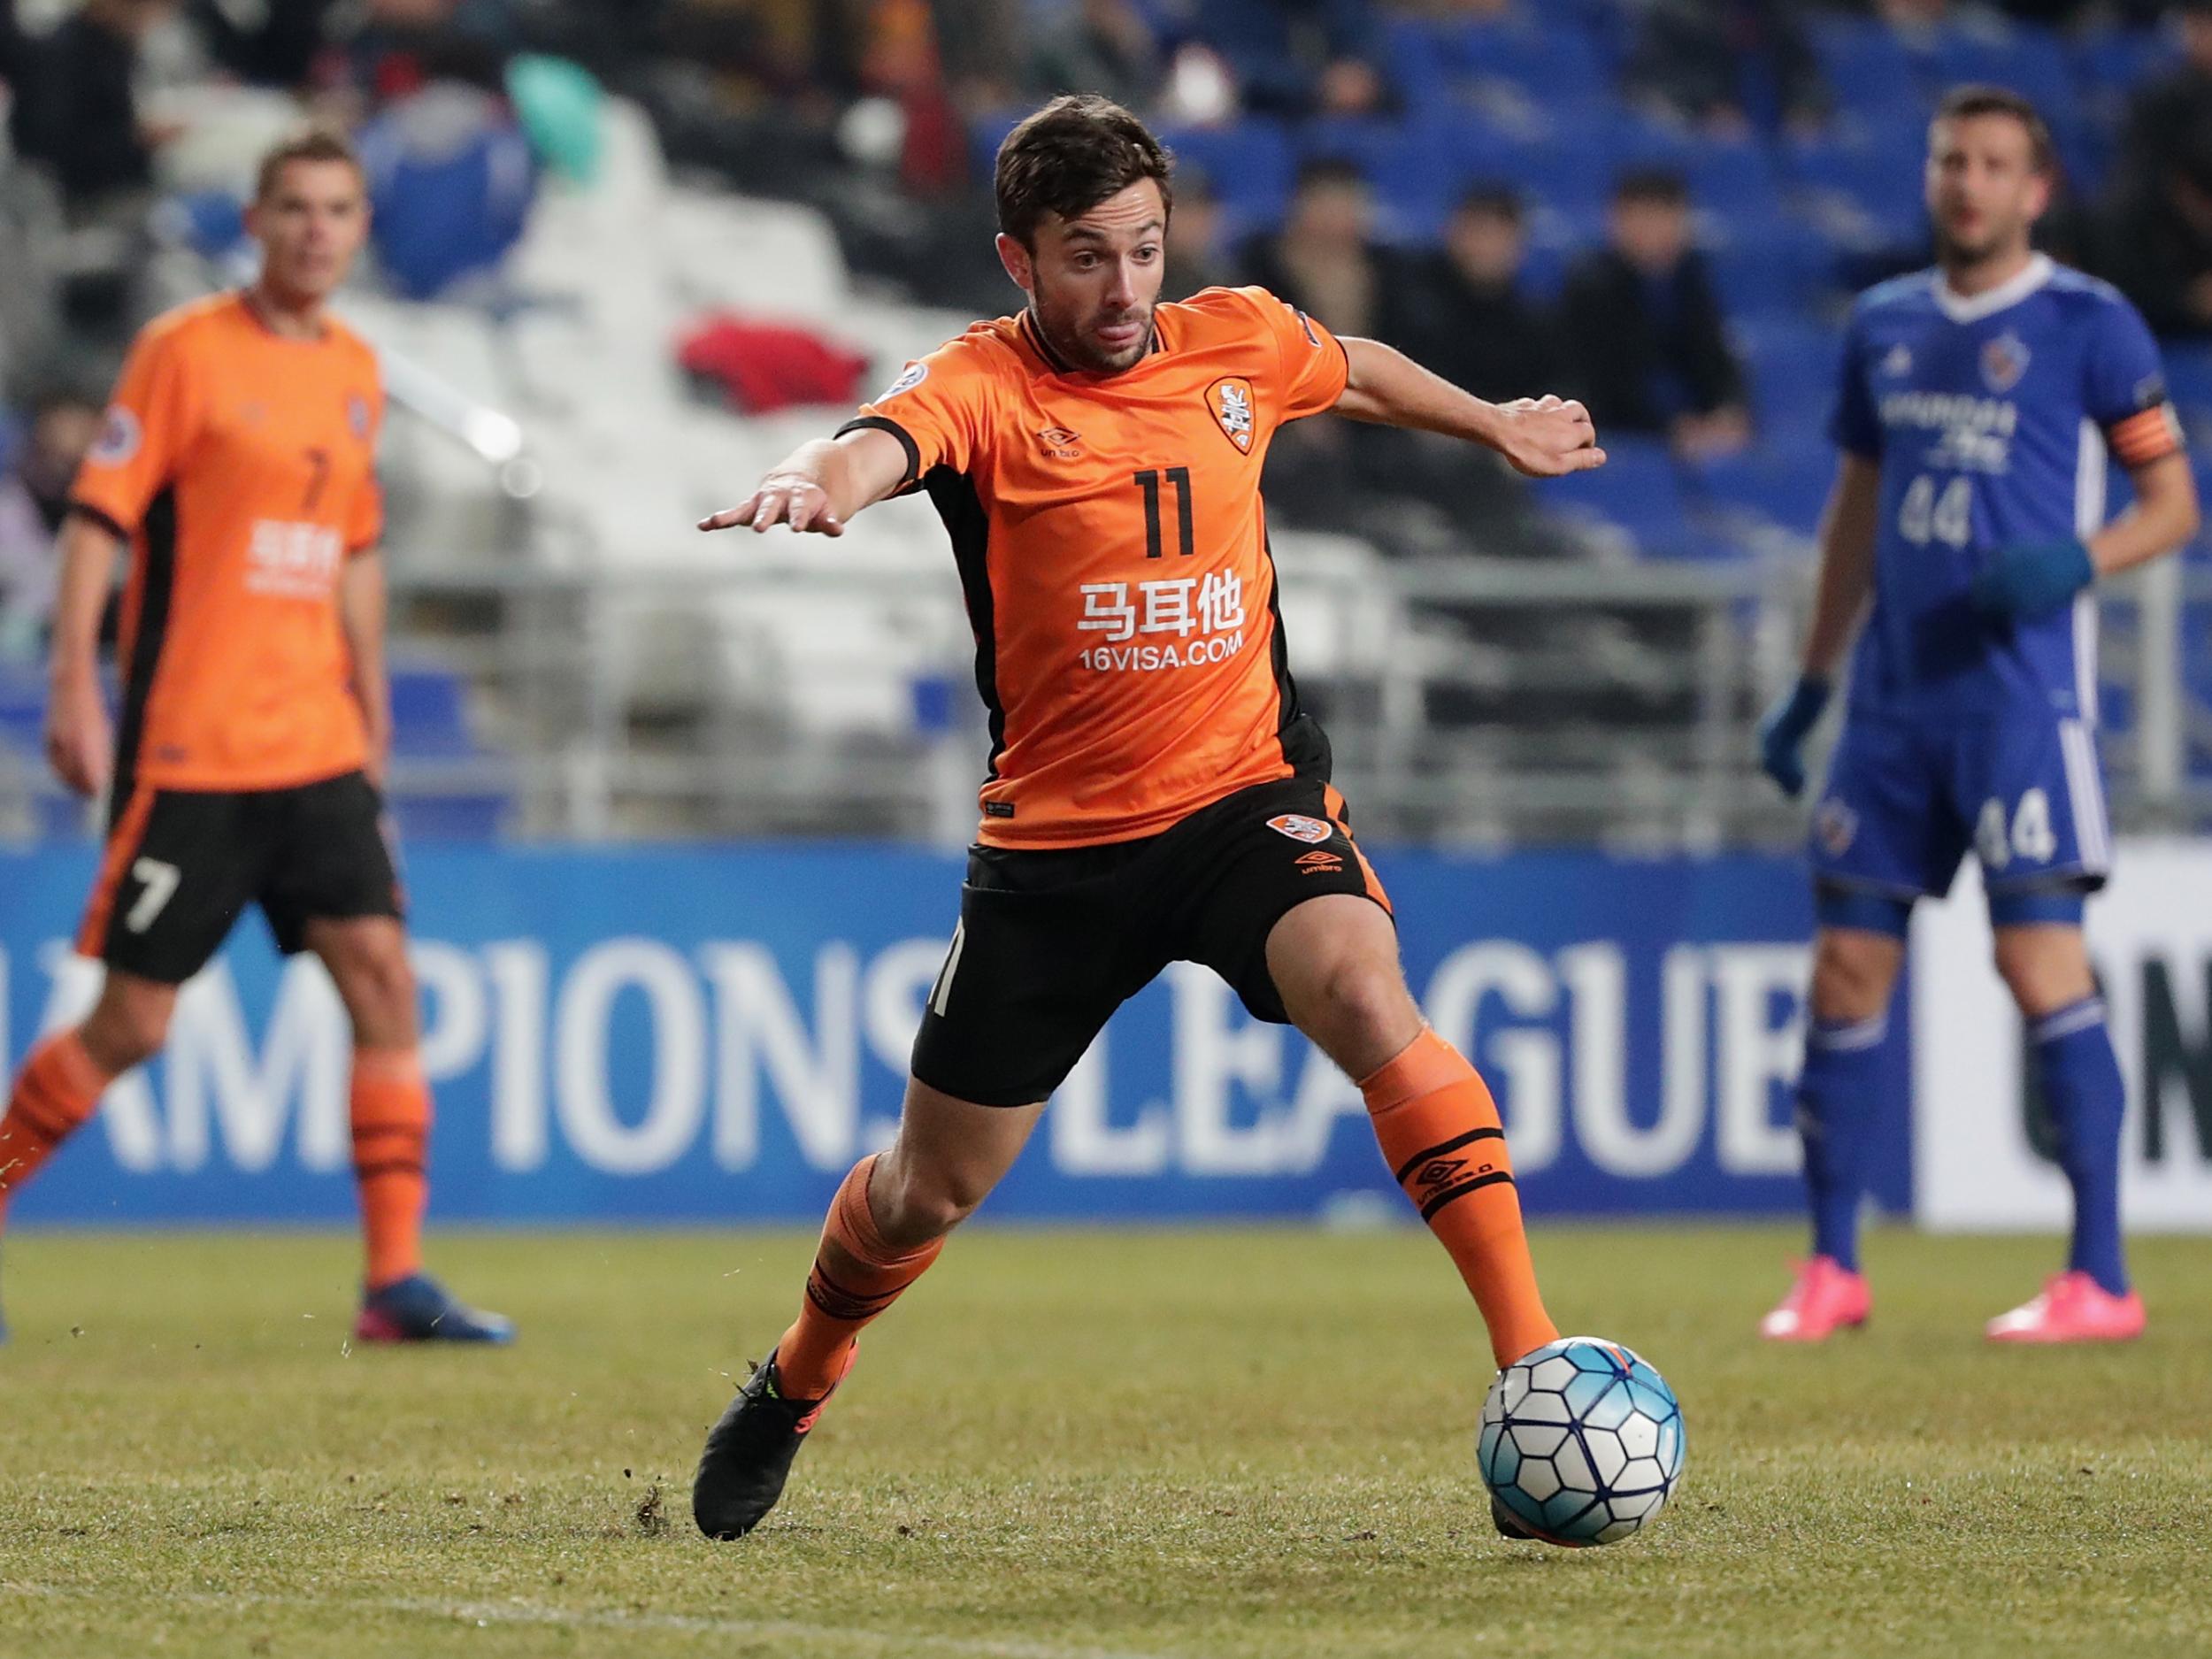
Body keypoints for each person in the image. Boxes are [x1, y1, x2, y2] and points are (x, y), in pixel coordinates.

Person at [688, 94, 1603, 1543]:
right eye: (1083, 260)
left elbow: (1347, 367)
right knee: (928, 1192)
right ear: (1016, 259)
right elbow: (877, 440)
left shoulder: (1232, 336)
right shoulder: (982, 387)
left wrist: (1493, 424)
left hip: (1247, 802)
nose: (1121, 292)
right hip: (1059, 854)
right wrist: (815, 481)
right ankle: (799, 1378)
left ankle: (1536, 1365)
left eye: (1143, 251)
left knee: (1367, 989)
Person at [0, 131, 513, 1348]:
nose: (317, 230)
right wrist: (75, 684)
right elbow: (96, 523)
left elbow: (353, 546)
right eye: (294, 207)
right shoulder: (182, 353)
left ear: (357, 227)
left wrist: (373, 696)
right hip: (194, 746)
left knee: (384, 979)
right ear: (255, 218)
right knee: (130, 1023)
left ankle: (394, 1283)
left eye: (338, 209)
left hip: (317, 742)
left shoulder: (352, 368)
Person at [1756, 87, 2200, 1345]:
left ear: (2035, 190)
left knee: (2035, 956)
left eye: (1995, 165)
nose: (1968, 183)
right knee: (1845, 967)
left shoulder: (2090, 323)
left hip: (2019, 702)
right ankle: (1832, 1265)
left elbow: (2174, 505)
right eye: (1953, 159)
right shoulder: (1884, 325)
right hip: (1892, 706)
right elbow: (1854, 512)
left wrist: (2081, 559)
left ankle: (2101, 1273)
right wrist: (1812, 682)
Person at [1560, 170, 1751, 460]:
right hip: (1620, 435)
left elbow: (1718, 361)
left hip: (1691, 432)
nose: (1653, 230)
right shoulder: (1590, 288)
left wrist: (1727, 412)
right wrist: (1670, 427)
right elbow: (1603, 382)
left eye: (1663, 216)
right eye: (1642, 217)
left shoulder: (1693, 282)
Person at [1399, 184, 1563, 407]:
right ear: (1452, 234)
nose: (1486, 246)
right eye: (1478, 232)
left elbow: (1557, 389)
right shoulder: (1414, 304)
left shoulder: (1537, 320)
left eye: (1498, 234)